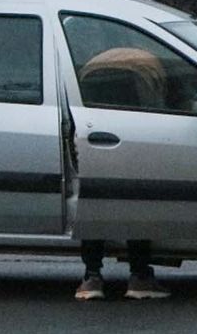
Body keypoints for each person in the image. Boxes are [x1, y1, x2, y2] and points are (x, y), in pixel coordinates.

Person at [72, 45, 168, 301]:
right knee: (137, 203)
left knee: (95, 203)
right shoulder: (146, 59)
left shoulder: (96, 62)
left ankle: (91, 277)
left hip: (97, 136)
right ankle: (140, 275)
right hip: (134, 138)